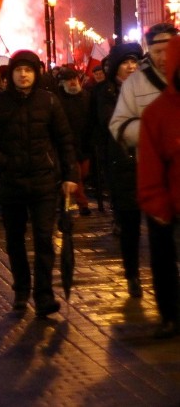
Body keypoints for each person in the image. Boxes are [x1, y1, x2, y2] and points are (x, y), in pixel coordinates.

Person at [0, 49, 79, 316]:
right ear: (12, 74)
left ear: (36, 73)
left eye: (28, 70)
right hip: (12, 182)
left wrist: (70, 176)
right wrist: (3, 161)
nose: (23, 74)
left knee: (44, 239)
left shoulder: (50, 102)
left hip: (44, 180)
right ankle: (21, 288)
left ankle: (43, 295)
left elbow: (65, 140)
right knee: (15, 240)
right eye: (19, 70)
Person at [110, 23, 179, 331]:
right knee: (162, 251)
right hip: (153, 174)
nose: (163, 57)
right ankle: (169, 313)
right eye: (156, 51)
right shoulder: (135, 84)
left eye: (168, 50)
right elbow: (119, 125)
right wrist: (154, 134)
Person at [137, 34, 180, 339]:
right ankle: (172, 315)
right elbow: (150, 166)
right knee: (166, 264)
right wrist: (158, 205)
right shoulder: (158, 113)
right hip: (172, 207)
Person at [92, 42, 144, 287]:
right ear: (115, 68)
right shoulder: (104, 93)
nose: (131, 66)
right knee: (130, 223)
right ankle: (132, 272)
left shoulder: (149, 88)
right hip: (121, 163)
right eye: (125, 62)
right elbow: (103, 126)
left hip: (149, 161)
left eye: (134, 61)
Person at [56, 66, 93, 216]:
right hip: (68, 143)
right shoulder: (58, 99)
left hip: (85, 142)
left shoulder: (86, 96)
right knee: (76, 174)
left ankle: (69, 195)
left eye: (74, 79)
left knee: (83, 173)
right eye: (68, 80)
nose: (72, 82)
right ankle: (82, 203)